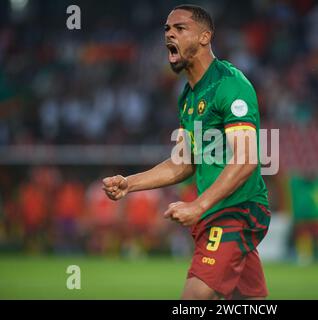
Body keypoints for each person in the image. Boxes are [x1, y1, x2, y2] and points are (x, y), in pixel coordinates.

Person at [102, 4, 270, 300]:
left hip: (236, 210)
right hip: (216, 212)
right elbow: (182, 164)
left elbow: (246, 160)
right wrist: (130, 183)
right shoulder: (188, 97)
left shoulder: (229, 85)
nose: (169, 34)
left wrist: (198, 205)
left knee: (193, 298)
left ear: (205, 37)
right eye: (167, 29)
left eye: (180, 29)